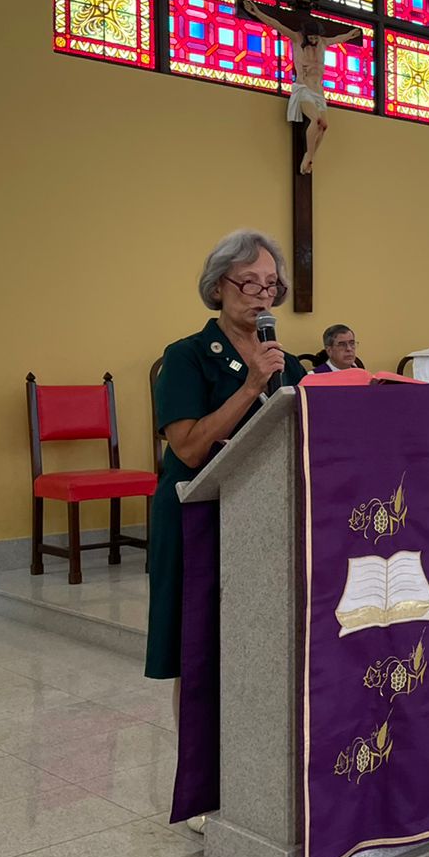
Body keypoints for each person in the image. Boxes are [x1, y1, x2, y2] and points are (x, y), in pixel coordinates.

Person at [147, 230, 307, 698]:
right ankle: (197, 746)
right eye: (250, 282)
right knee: (196, 655)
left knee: (264, 645)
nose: (263, 295)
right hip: (199, 519)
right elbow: (189, 450)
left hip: (269, 521)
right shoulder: (186, 357)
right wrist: (251, 385)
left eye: (271, 284)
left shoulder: (287, 365)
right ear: (218, 286)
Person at [238, 0, 361, 175]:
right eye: (311, 37)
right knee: (316, 120)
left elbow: (340, 38)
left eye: (316, 37)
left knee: (324, 126)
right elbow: (275, 24)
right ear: (305, 35)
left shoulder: (323, 42)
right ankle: (308, 156)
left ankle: (310, 157)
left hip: (318, 91)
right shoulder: (296, 38)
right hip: (304, 88)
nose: (314, 41)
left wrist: (351, 34)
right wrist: (256, 11)